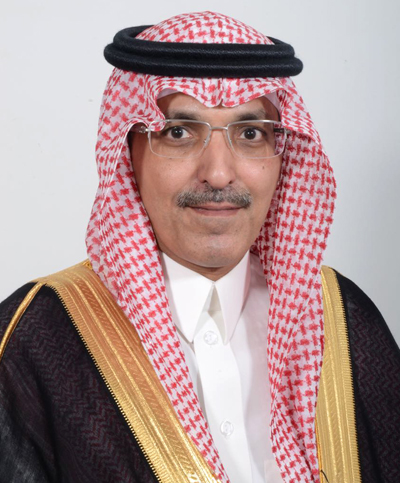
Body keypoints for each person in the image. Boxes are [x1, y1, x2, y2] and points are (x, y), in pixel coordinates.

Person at [0, 11, 399, 483]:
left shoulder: (346, 320)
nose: (219, 173)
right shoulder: (35, 343)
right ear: (127, 153)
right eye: (179, 133)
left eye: (250, 134)